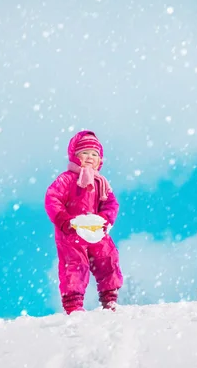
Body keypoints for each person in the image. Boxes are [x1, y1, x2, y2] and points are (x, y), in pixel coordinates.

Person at [44, 130, 124, 314]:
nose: (90, 157)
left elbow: (111, 203)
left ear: (100, 160)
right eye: (84, 153)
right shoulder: (67, 179)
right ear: (75, 156)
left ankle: (109, 299)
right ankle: (74, 304)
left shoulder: (101, 183)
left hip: (95, 230)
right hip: (72, 231)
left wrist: (105, 220)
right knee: (75, 264)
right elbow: (52, 198)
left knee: (108, 257)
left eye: (94, 154)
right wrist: (64, 221)